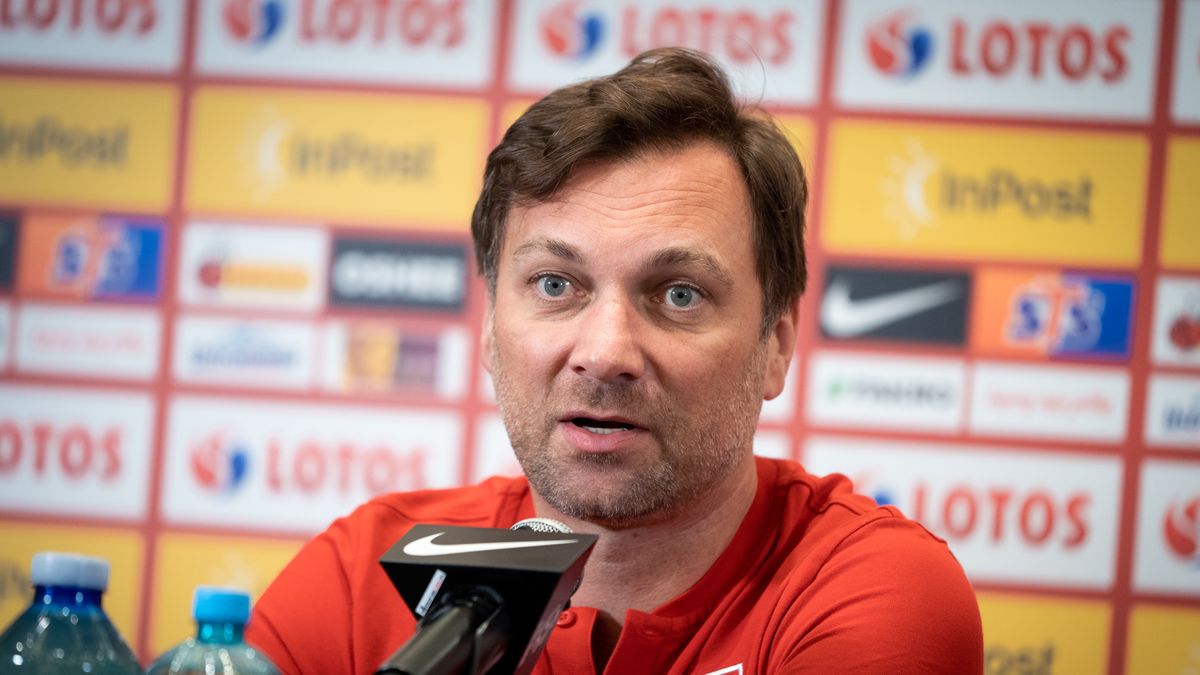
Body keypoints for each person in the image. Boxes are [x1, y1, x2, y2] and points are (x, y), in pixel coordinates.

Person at [246, 47, 984, 674]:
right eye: (555, 284)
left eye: (679, 294)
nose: (604, 353)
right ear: (490, 328)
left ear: (777, 344)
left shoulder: (868, 587)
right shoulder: (360, 577)